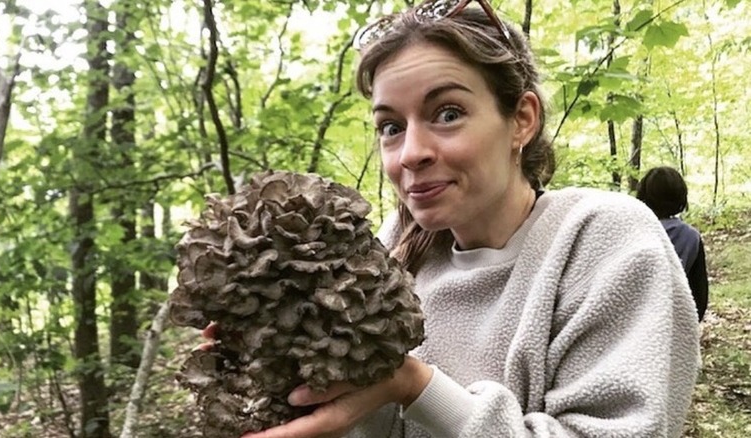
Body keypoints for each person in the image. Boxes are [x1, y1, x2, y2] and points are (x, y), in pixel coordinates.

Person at [236, 1, 701, 436]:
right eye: (391, 127)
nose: (411, 153)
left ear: (521, 119)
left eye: (448, 113)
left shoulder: (603, 239)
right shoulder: (391, 249)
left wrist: (416, 387)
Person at [637, 166, 709, 321]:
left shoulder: (632, 230)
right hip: (672, 322)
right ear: (681, 196)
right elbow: (699, 298)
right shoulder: (691, 238)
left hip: (631, 324)